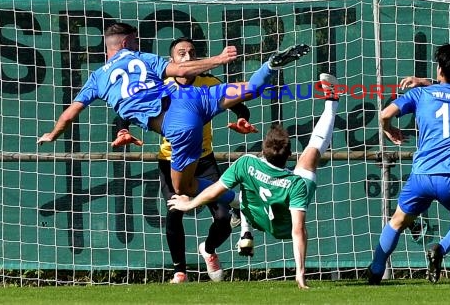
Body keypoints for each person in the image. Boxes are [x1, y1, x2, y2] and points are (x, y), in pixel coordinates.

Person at [37, 22, 310, 281]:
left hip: (179, 126)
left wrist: (53, 134)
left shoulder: (97, 78)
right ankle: (270, 66)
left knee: (185, 190)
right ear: (122, 43)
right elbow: (181, 71)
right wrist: (216, 60)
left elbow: (71, 113)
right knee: (250, 89)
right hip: (194, 100)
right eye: (133, 41)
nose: (136, 44)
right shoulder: (143, 58)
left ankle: (240, 201)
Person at [168, 73, 340, 289]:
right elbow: (298, 230)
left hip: (256, 213)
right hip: (282, 228)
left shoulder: (247, 163)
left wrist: (189, 203)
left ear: (262, 150)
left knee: (222, 190)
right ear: (288, 156)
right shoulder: (296, 184)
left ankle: (244, 225)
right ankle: (332, 103)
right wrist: (300, 274)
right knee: (312, 154)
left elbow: (214, 190)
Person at [113, 36, 258, 284]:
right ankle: (180, 270)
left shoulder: (209, 81)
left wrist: (243, 117)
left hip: (204, 159)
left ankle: (209, 250)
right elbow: (127, 107)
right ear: (172, 60)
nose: (188, 56)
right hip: (171, 160)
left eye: (192, 52)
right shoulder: (158, 83)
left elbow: (238, 103)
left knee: (223, 218)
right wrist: (122, 129)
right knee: (174, 212)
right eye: (182, 53)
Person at [366, 43, 450, 284]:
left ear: (440, 70)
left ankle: (377, 268)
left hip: (422, 176)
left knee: (398, 220)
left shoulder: (419, 95)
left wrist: (390, 130)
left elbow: (384, 114)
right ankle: (440, 248)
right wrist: (428, 80)